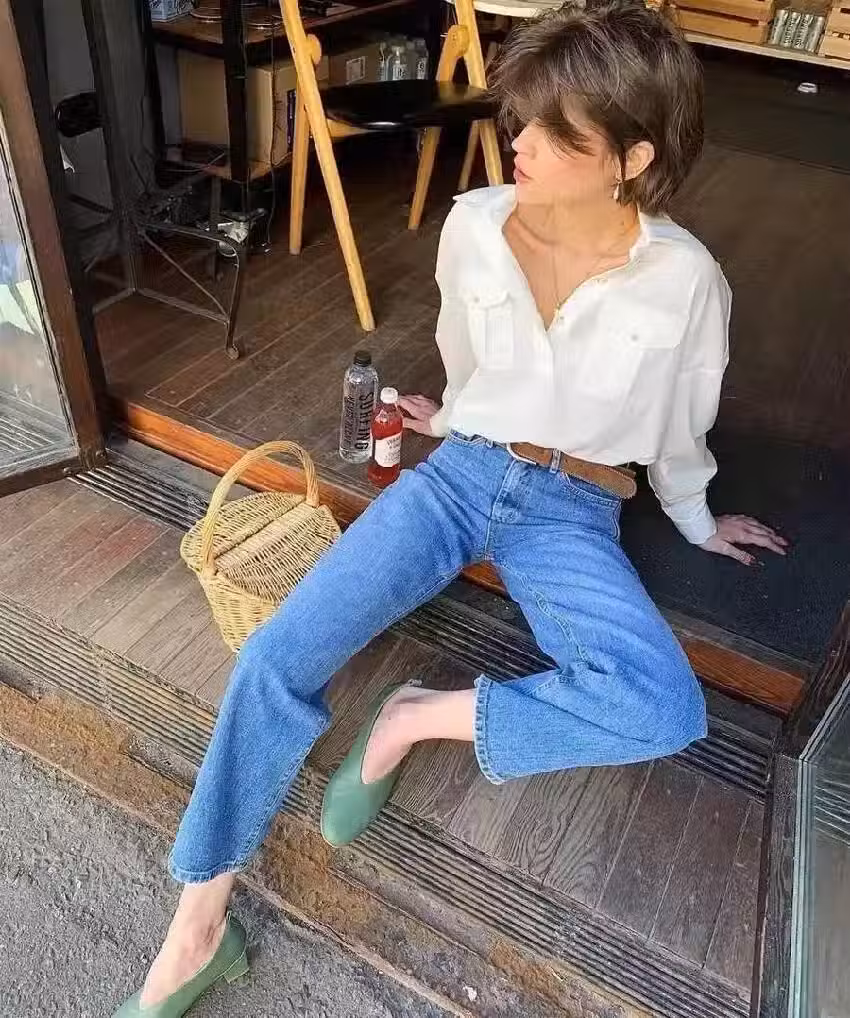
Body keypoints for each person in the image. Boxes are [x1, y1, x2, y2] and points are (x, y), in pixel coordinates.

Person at [112, 2, 788, 1014]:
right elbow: (466, 357)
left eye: (555, 132)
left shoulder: (685, 280)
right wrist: (457, 415)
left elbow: (682, 422)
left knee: (662, 705)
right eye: (521, 117)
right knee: (274, 657)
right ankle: (197, 929)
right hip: (460, 474)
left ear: (630, 157)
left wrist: (695, 518)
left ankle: (413, 718)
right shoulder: (473, 226)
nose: (518, 141)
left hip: (573, 504)